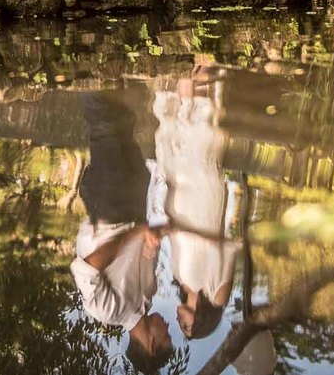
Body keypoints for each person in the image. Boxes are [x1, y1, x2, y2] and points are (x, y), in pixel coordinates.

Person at [72, 92, 173, 373]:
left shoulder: (107, 311)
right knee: (126, 129)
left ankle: (90, 74)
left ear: (151, 344)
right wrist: (157, 236)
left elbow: (88, 266)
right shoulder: (148, 296)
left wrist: (135, 234)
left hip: (107, 209)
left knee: (104, 131)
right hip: (132, 207)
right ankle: (114, 79)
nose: (167, 326)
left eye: (166, 335)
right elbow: (147, 248)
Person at [152, 63, 240, 341]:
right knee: (202, 130)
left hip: (177, 194)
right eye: (187, 326)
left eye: (181, 327)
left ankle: (179, 64)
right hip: (203, 202)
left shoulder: (179, 277)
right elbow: (228, 247)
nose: (179, 321)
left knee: (171, 129)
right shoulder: (217, 295)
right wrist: (181, 231)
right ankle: (207, 63)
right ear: (202, 322)